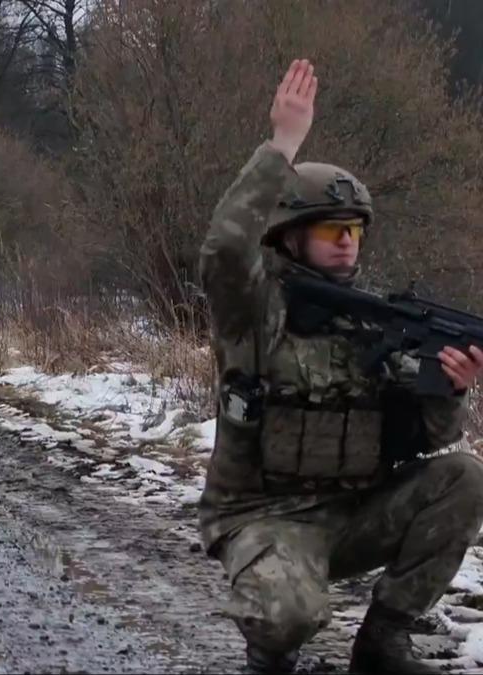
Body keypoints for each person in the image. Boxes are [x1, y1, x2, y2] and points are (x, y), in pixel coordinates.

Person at [198, 59, 483, 673]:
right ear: (290, 235)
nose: (348, 240)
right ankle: (270, 651)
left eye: (354, 229)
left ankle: (383, 641)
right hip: (264, 519)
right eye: (332, 229)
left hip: (353, 513)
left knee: (464, 477)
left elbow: (427, 438)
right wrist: (282, 145)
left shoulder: (374, 321)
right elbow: (225, 247)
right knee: (288, 615)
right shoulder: (257, 311)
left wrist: (449, 389)